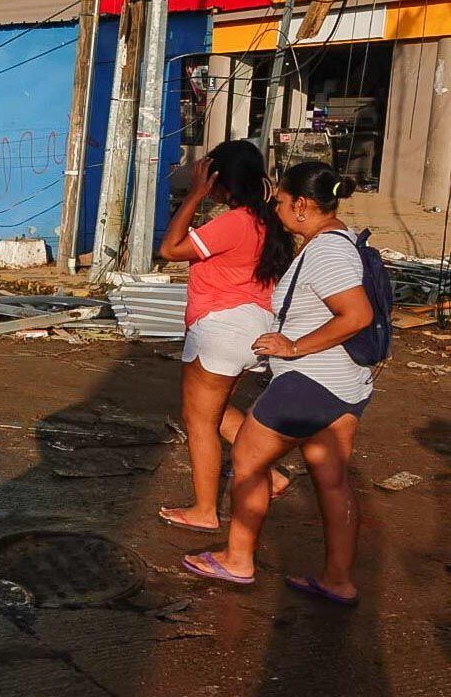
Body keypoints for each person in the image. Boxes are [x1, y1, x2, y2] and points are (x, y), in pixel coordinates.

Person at [184, 162, 374, 606]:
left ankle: (237, 559)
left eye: (283, 202)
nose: (278, 209)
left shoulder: (327, 251)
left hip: (310, 382)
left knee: (249, 465)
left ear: (303, 205)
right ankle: (337, 580)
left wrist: (295, 347)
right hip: (346, 383)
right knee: (332, 480)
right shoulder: (342, 241)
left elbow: (357, 315)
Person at [156, 140, 295, 532]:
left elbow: (170, 248)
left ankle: (204, 510)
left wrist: (194, 196)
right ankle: (273, 478)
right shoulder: (270, 221)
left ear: (220, 182)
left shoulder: (234, 222)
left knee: (198, 421)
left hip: (219, 328)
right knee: (216, 415)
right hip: (254, 327)